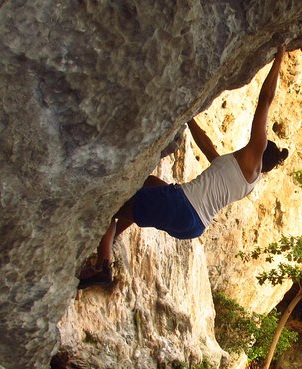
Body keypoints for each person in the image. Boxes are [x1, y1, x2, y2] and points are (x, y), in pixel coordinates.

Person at [78, 45, 288, 289]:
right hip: (192, 225)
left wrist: (280, 56)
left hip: (182, 206)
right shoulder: (243, 178)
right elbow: (208, 148)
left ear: (261, 151)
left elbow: (266, 100)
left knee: (111, 206)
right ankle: (110, 242)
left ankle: (102, 266)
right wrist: (189, 117)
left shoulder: (254, 156)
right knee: (147, 186)